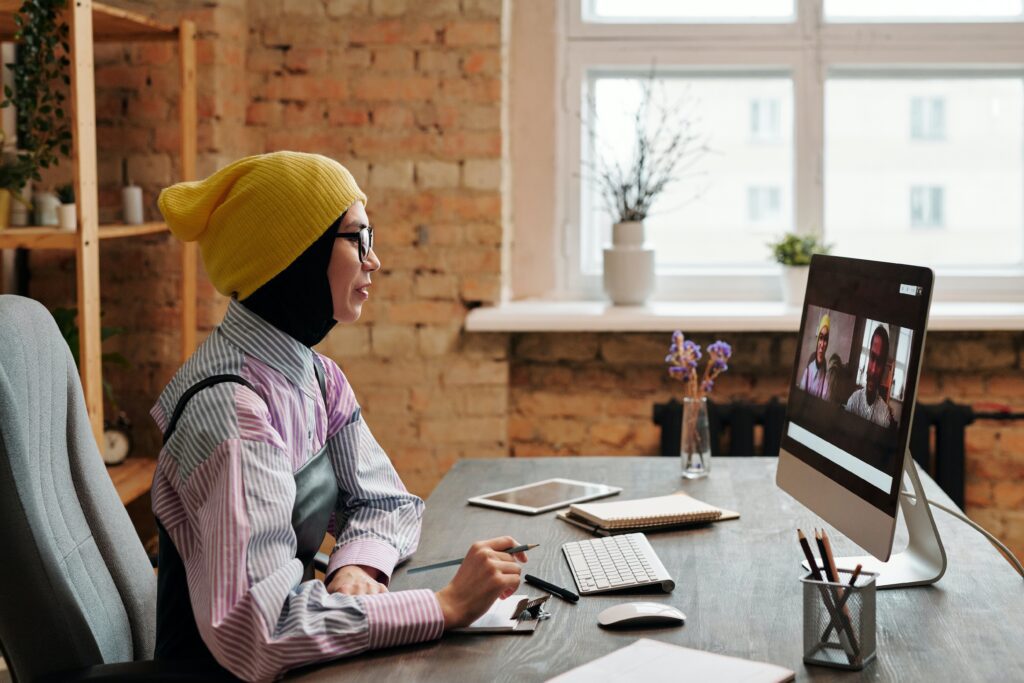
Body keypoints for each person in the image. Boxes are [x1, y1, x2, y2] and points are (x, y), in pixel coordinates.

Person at [151, 152, 526, 682]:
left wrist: (357, 564)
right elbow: (261, 633)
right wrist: (443, 607)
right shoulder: (233, 416)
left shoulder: (316, 377)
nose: (373, 260)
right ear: (293, 255)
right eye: (357, 238)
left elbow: (387, 501)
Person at [845, 324, 896, 428]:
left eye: (880, 362)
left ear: (884, 369)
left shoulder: (884, 415)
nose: (873, 370)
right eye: (872, 357)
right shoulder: (853, 401)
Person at [798, 313, 831, 400]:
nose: (822, 344)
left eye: (825, 339)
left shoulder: (826, 381)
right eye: (820, 338)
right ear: (817, 340)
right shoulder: (809, 371)